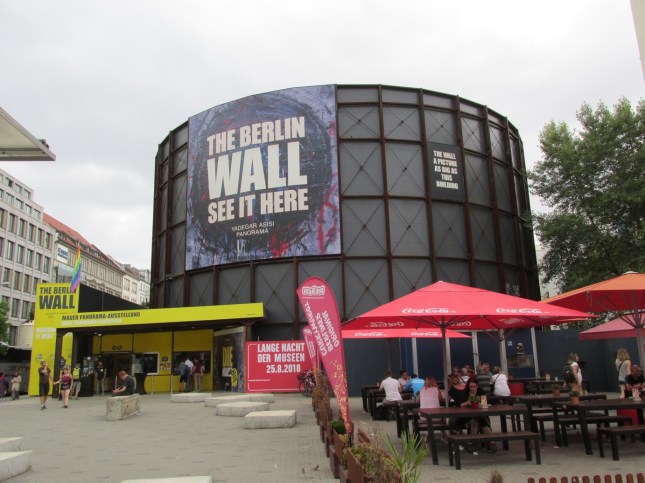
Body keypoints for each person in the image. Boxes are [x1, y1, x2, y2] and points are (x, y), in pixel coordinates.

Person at [459, 378, 495, 454]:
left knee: (481, 421)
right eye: (470, 386)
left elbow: (484, 403)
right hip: (468, 416)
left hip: (480, 414)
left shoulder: (480, 391)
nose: (472, 388)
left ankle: (489, 443)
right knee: (476, 421)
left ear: (477, 386)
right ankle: (480, 442)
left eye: (474, 386)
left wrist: (479, 404)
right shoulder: (465, 393)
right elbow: (460, 405)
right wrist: (467, 402)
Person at [418, 376, 447, 443]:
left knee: (429, 417)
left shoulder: (422, 389)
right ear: (434, 382)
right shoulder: (436, 389)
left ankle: (428, 433)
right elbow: (441, 399)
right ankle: (443, 434)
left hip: (423, 416)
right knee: (443, 410)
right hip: (436, 416)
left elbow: (418, 401)